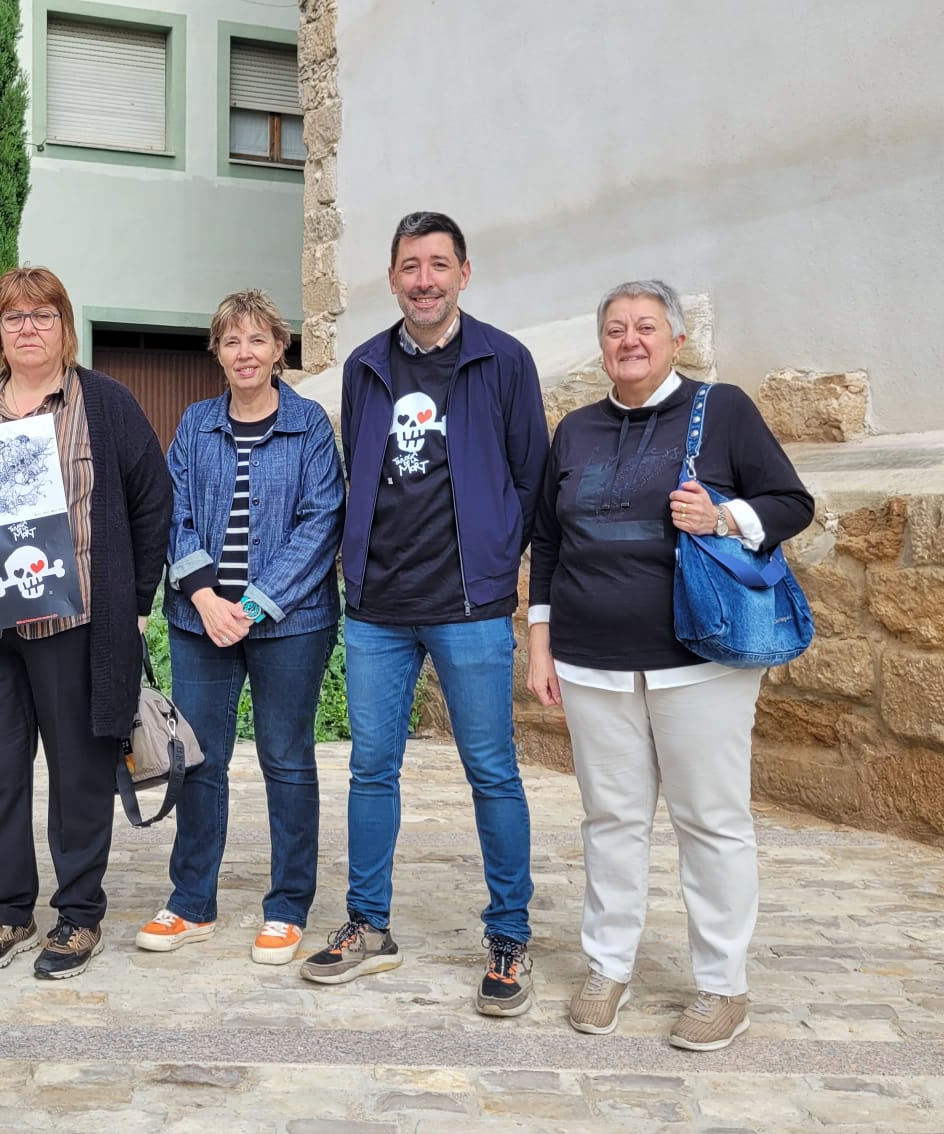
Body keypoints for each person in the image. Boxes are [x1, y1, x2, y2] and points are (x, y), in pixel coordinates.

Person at [526, 279, 814, 1051]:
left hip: (700, 662)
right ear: (603, 343)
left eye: (646, 327)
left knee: (711, 822)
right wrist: (541, 639)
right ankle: (607, 967)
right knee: (611, 821)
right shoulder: (576, 431)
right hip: (592, 662)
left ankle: (722, 987)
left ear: (676, 339)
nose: (630, 340)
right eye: (616, 328)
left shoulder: (722, 411)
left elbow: (792, 500)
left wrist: (725, 516)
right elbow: (548, 542)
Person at [299, 211, 549, 1019]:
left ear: (463, 274)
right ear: (393, 276)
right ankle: (368, 926)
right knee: (372, 770)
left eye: (438, 265)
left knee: (492, 772)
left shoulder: (505, 360)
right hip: (377, 608)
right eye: (410, 266)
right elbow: (358, 472)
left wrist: (500, 555)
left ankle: (508, 935)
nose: (424, 281)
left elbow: (530, 480)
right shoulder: (366, 366)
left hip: (471, 607)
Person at [0, 266, 172, 980]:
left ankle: (78, 916)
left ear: (66, 325)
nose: (28, 328)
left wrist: (140, 603)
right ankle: (8, 911)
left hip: (78, 619)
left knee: (79, 774)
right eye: (13, 318)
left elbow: (153, 504)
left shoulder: (108, 406)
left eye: (43, 315)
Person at [134, 289, 343, 966]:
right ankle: (192, 902)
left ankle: (287, 907)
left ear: (280, 348)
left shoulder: (309, 425)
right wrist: (204, 598)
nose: (244, 352)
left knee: (286, 759)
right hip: (201, 623)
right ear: (217, 353)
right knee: (198, 761)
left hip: (291, 625)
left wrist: (251, 604)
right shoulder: (196, 425)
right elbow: (173, 512)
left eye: (258, 339)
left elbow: (321, 522)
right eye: (231, 341)